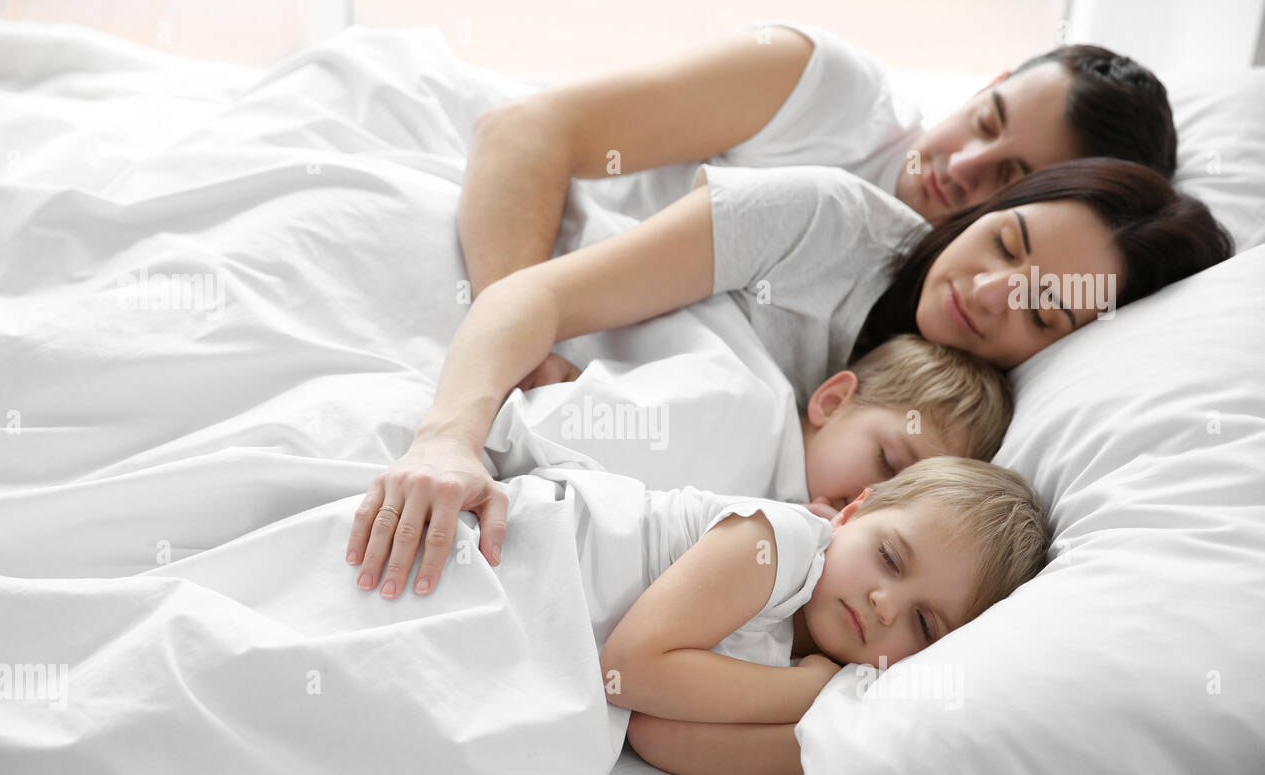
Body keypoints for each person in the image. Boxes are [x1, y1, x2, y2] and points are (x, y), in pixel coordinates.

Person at [346, 158, 1231, 595]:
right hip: (489, 315)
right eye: (1004, 242)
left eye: (1043, 311)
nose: (988, 292)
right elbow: (536, 295)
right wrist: (452, 436)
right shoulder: (822, 222)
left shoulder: (963, 427)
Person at [458, 22, 1180, 299]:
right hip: (517, 249)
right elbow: (525, 131)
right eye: (986, 121)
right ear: (988, 85)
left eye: (1010, 179)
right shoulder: (827, 89)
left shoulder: (958, 298)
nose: (965, 164)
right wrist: (510, 331)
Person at [589, 454, 1049, 775]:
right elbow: (626, 671)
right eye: (889, 557)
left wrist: (823, 731)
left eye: (924, 624)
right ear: (850, 513)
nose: (885, 604)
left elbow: (657, 733)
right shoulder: (775, 543)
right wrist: (804, 692)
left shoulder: (832, 671)